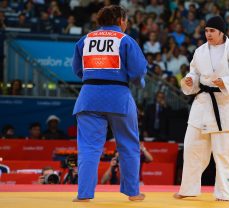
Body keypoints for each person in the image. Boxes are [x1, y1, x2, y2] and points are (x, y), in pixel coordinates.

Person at [71, 5, 147, 202]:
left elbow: (77, 69)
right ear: (121, 20)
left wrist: (92, 78)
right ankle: (133, 192)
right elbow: (138, 71)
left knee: (88, 148)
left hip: (88, 96)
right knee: (128, 145)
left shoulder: (85, 40)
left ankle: (84, 194)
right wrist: (138, 83)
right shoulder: (125, 40)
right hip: (118, 96)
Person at [174, 16, 229, 201]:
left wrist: (226, 82)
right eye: (206, 30)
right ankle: (188, 189)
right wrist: (190, 80)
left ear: (222, 32)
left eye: (212, 31)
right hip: (203, 103)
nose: (208, 34)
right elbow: (194, 72)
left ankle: (224, 193)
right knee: (192, 148)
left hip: (227, 104)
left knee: (224, 152)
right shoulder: (200, 51)